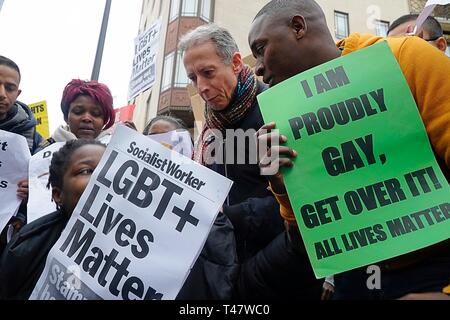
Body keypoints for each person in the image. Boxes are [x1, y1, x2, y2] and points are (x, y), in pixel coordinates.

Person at [249, 0, 450, 300]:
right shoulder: (287, 122)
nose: (258, 67)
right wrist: (283, 187)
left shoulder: (406, 60)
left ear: (298, 27)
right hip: (355, 278)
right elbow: (310, 243)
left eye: (260, 48)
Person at [179, 23, 285, 262]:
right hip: (225, 260)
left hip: (275, 263)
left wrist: (227, 215)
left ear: (236, 63)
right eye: (193, 78)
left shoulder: (276, 108)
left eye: (208, 72)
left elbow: (297, 200)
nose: (202, 88)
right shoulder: (208, 127)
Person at [0, 140, 107, 299]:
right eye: (86, 171)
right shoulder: (26, 248)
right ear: (58, 195)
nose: (102, 176)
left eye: (108, 169)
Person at [0, 55, 43, 252]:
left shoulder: (35, 141)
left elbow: (47, 187)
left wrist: (34, 190)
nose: (2, 94)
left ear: (18, 93)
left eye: (9, 88)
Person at [38, 79, 116, 150]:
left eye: (96, 114)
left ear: (105, 120)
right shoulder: (44, 151)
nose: (87, 118)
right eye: (78, 112)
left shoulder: (118, 148)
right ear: (66, 116)